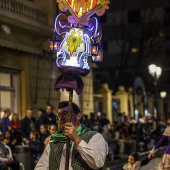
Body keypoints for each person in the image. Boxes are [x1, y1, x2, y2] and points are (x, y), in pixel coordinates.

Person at [35, 101, 108, 170]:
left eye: (65, 113)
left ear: (78, 116)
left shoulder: (95, 137)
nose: (61, 117)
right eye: (59, 115)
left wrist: (76, 139)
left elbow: (97, 162)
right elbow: (42, 166)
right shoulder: (55, 140)